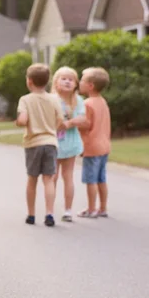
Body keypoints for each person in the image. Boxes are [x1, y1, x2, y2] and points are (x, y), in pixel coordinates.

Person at [15, 63, 65, 227]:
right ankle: (50, 213)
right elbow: (60, 120)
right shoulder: (54, 99)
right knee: (49, 179)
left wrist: (19, 122)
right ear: (47, 81)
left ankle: (31, 214)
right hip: (50, 143)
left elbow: (23, 120)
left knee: (32, 179)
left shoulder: (25, 100)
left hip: (33, 143)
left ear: (29, 81)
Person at [52, 66, 87, 222]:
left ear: (75, 84)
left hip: (70, 143)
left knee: (68, 176)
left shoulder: (78, 101)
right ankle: (49, 210)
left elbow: (82, 119)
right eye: (63, 79)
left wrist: (67, 123)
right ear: (56, 82)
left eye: (71, 79)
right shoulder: (51, 99)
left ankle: (67, 210)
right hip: (53, 143)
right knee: (52, 177)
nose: (67, 82)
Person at [77, 67, 112, 218]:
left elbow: (86, 124)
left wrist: (73, 122)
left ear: (90, 85)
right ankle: (102, 208)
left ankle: (91, 209)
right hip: (104, 146)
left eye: (82, 80)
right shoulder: (102, 101)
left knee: (90, 180)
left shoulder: (87, 104)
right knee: (101, 179)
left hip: (92, 146)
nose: (79, 82)